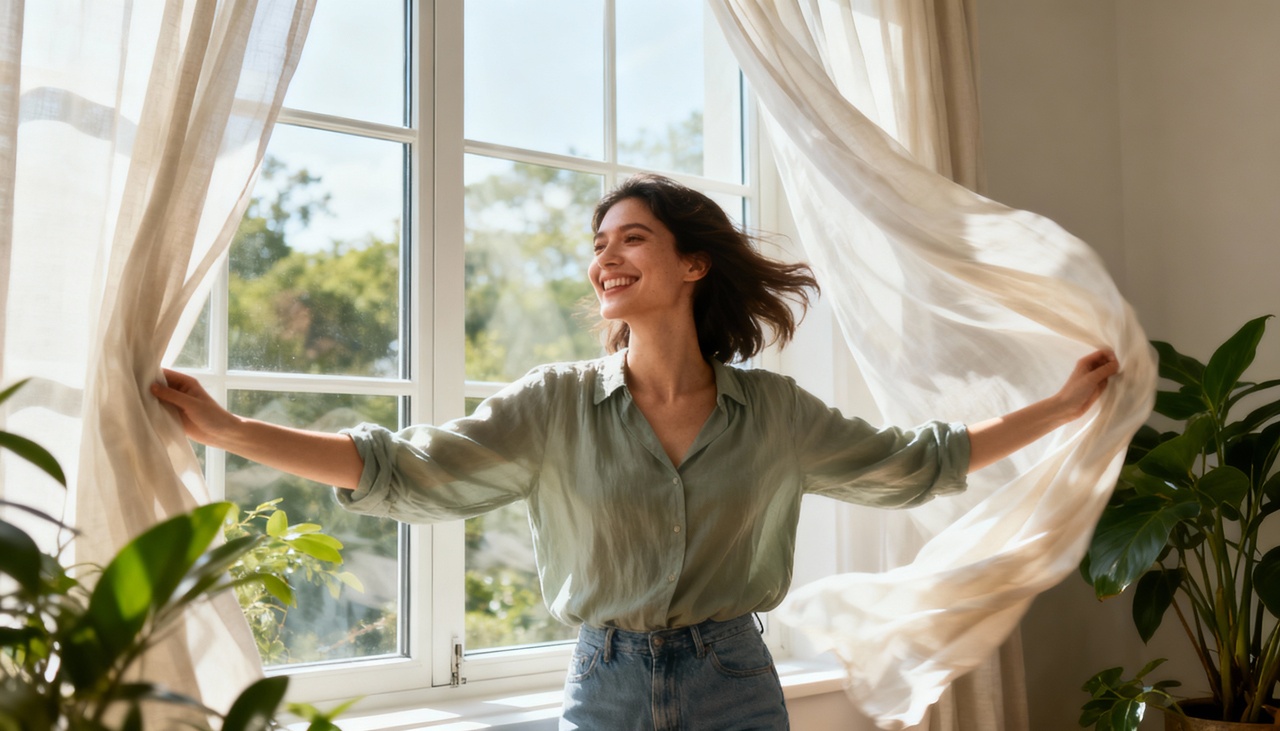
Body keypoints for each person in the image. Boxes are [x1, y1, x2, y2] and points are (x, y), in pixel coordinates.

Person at [153, 173, 1119, 730]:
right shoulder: (555, 405)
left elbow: (920, 461)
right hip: (604, 682)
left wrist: (1064, 407)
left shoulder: (775, 415)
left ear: (693, 263)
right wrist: (235, 432)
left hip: (736, 681)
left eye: (632, 238)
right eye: (599, 242)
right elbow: (404, 469)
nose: (604, 256)